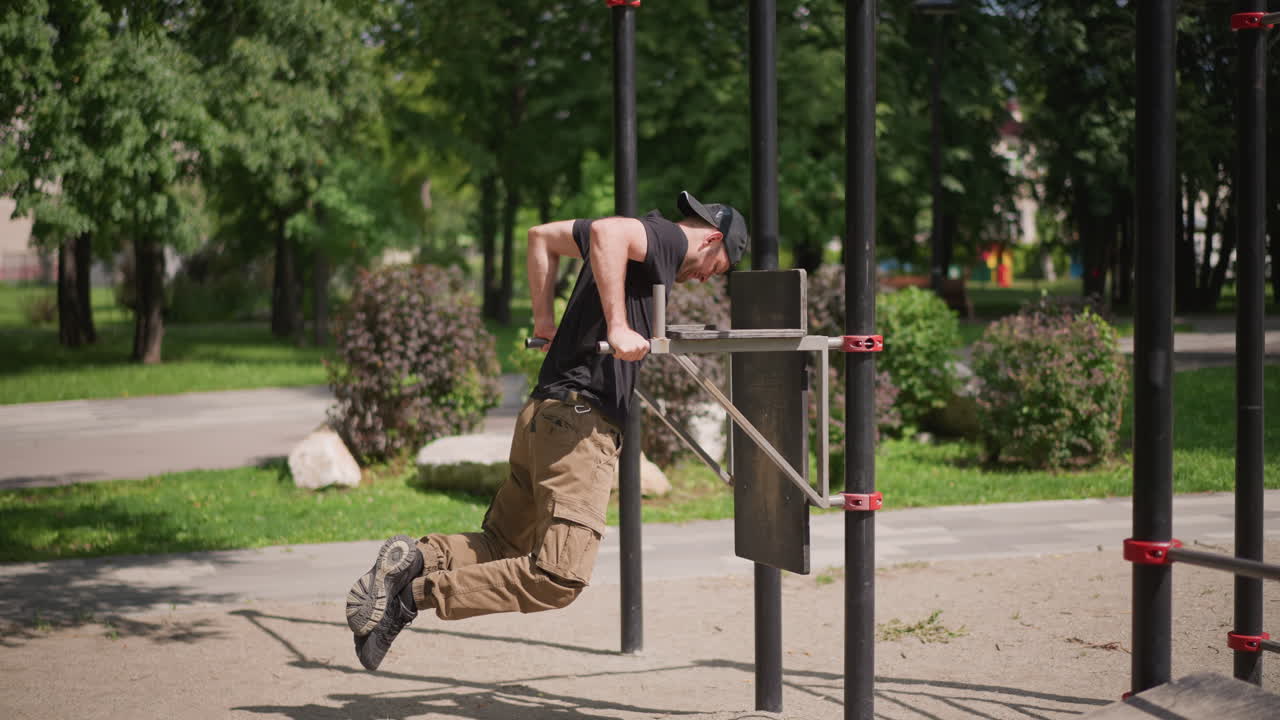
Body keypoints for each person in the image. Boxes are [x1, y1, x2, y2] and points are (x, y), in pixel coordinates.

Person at [345, 191, 750, 671]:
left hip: (545, 413)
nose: (705, 278)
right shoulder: (665, 239)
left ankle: (414, 559)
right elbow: (606, 231)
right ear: (713, 239)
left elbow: (541, 237)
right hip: (580, 426)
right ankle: (409, 596)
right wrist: (618, 325)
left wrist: (543, 320)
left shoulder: (651, 251)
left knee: (502, 547)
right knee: (559, 576)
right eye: (717, 267)